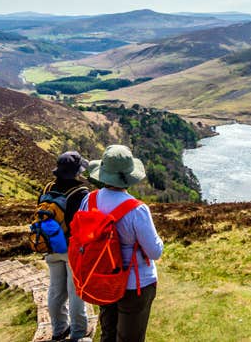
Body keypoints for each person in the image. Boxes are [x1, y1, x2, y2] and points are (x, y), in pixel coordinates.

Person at [82, 145, 164, 342]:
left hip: (103, 277)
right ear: (128, 176)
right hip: (134, 284)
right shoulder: (137, 210)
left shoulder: (89, 200)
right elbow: (154, 252)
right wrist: (160, 241)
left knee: (108, 332)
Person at [44, 151, 92, 342]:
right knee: (76, 292)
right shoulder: (81, 193)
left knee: (56, 290)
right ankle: (79, 333)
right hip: (72, 248)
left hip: (51, 245)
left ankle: (58, 330)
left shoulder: (48, 187)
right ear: (76, 172)